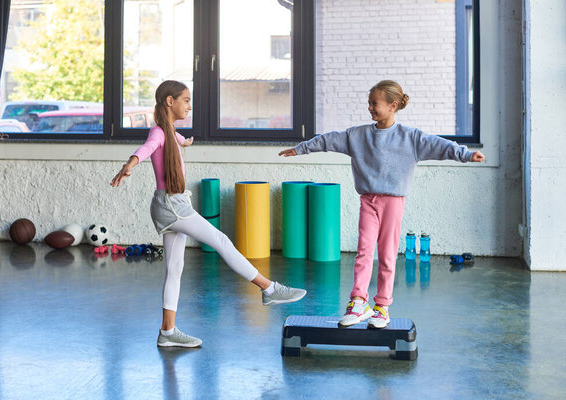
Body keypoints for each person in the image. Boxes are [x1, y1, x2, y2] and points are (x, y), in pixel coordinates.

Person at [111, 80, 306, 348]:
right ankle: (269, 289)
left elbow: (175, 139)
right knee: (222, 241)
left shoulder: (170, 131)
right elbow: (146, 148)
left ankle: (167, 332)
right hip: (173, 206)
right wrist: (130, 163)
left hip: (168, 205)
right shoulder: (158, 133)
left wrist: (185, 142)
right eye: (186, 100)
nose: (190, 106)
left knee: (174, 269)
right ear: (170, 101)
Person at [279, 80, 484, 329]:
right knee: (364, 253)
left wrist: (466, 154)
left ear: (392, 106)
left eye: (374, 104)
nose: (370, 108)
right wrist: (300, 149)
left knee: (387, 256)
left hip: (393, 203)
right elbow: (328, 140)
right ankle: (358, 302)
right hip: (368, 200)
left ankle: (382, 307)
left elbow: (440, 145)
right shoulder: (357, 136)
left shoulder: (411, 138)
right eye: (369, 104)